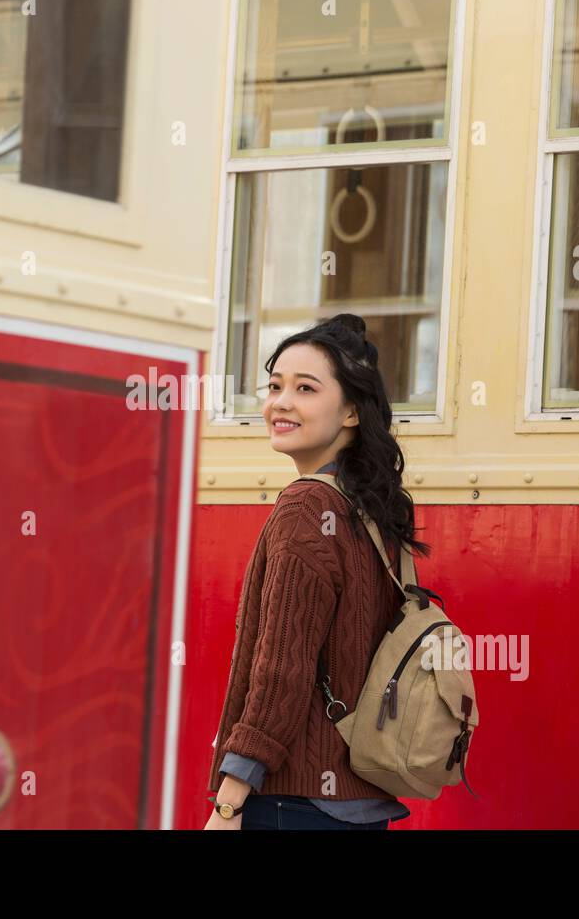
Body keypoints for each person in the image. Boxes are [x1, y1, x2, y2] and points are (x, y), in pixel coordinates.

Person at [204, 314, 430, 831]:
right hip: (359, 804)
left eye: (306, 388)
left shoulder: (306, 507)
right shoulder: (373, 509)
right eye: (275, 386)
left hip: (294, 803)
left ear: (352, 410)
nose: (281, 402)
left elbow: (282, 671)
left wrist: (229, 801)